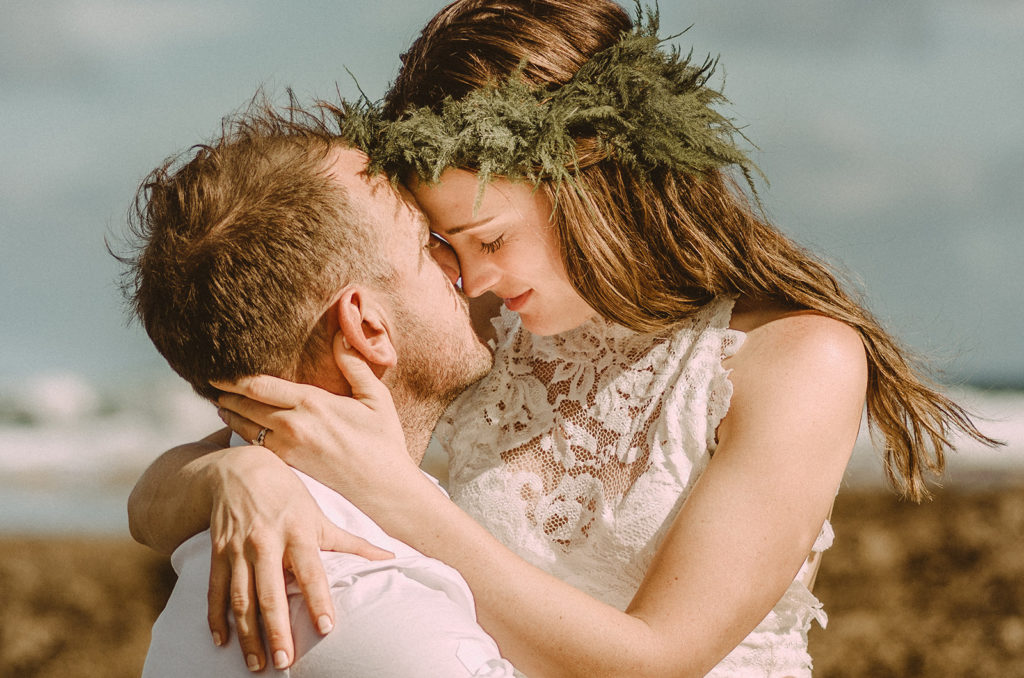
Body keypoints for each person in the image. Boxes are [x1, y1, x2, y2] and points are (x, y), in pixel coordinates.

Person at [129, 1, 997, 676]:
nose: (469, 280)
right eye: (446, 247)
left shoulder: (793, 361)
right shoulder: (483, 337)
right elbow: (153, 499)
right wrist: (237, 474)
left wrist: (400, 499)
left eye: (491, 239)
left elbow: (657, 659)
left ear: (594, 175)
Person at [119, 105, 517, 676]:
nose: (467, 271)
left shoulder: (217, 528)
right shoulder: (380, 620)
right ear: (367, 327)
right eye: (429, 245)